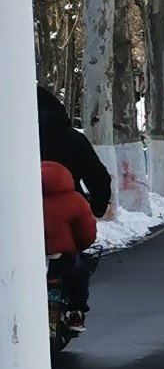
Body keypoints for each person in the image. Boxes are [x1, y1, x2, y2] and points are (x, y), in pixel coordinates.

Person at [37, 84, 111, 220]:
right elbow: (99, 177)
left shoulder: (15, 144)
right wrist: (96, 209)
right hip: (69, 216)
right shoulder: (73, 139)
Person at [41, 160, 97, 316]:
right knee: (80, 277)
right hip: (63, 259)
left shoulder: (25, 201)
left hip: (31, 260)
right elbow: (86, 232)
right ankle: (76, 314)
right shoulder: (75, 200)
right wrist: (80, 246)